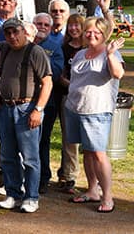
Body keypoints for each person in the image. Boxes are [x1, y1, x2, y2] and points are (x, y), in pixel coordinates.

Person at [65, 16, 124, 214]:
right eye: (88, 31)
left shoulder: (111, 53)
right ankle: (92, 190)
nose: (92, 35)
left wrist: (109, 55)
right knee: (87, 151)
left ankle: (107, 196)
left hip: (97, 110)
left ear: (104, 34)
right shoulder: (81, 53)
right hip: (75, 108)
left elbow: (118, 74)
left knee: (99, 153)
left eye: (97, 32)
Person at [0, 18, 52, 213]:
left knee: (30, 157)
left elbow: (47, 82)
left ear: (23, 31)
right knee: (7, 155)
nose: (12, 36)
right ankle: (13, 193)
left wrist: (39, 110)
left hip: (27, 108)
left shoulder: (35, 51)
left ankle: (31, 197)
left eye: (15, 32)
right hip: (6, 108)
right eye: (8, 33)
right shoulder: (5, 49)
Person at [32, 12, 64, 193]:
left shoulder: (54, 47)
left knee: (42, 140)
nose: (42, 27)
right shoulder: (24, 42)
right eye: (39, 23)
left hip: (47, 102)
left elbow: (56, 72)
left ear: (50, 28)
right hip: (24, 100)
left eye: (46, 25)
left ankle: (43, 177)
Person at [56, 13, 84, 194]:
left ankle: (70, 174)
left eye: (77, 25)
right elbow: (61, 75)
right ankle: (66, 175)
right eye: (71, 25)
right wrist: (72, 84)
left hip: (83, 99)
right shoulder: (64, 47)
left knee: (74, 139)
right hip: (66, 95)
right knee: (68, 138)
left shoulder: (89, 47)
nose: (74, 28)